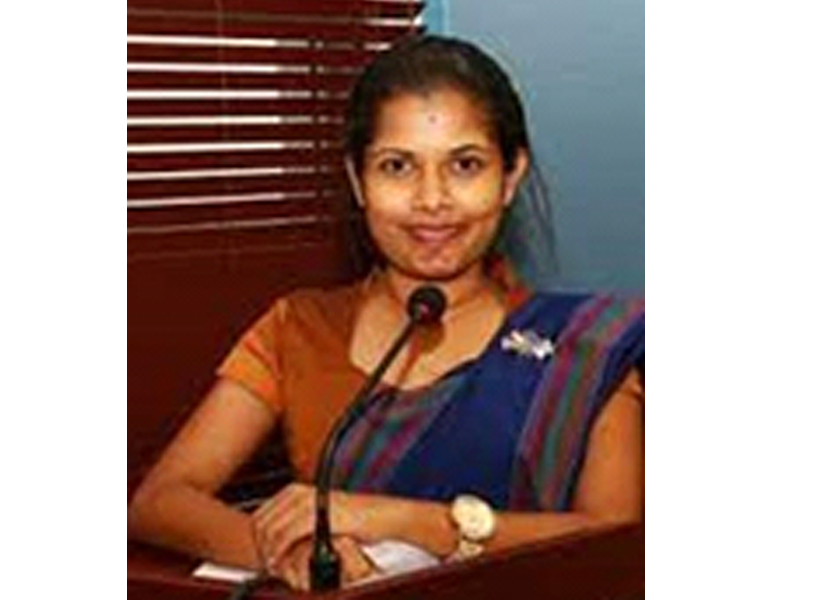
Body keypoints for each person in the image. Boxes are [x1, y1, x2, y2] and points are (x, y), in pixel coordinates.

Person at [127, 34, 644, 591]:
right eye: (397, 166)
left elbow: (618, 541)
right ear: (358, 180)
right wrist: (295, 549)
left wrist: (406, 521)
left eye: (465, 165)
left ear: (510, 176)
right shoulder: (300, 327)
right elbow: (160, 501)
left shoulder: (587, 345)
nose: (432, 199)